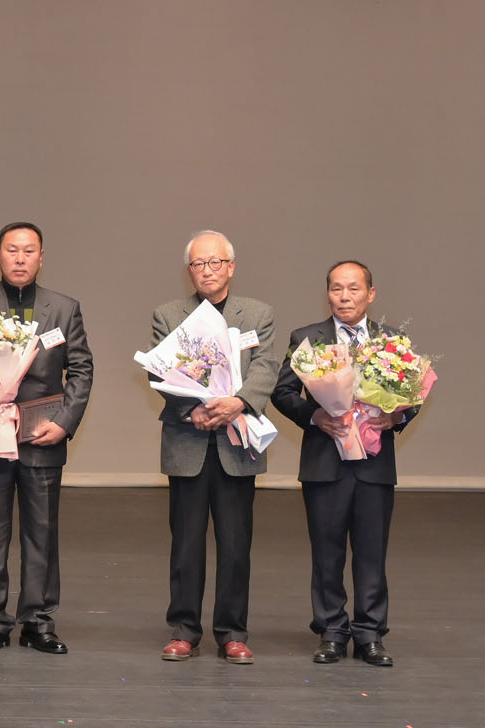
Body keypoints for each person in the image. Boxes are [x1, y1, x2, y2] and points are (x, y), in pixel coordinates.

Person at [0, 222, 93, 656]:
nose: (19, 258)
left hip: (42, 435)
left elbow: (81, 369)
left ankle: (38, 621)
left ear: (41, 257)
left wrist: (64, 422)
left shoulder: (64, 308)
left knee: (42, 532)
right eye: (12, 250)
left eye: (29, 251)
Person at [272, 260, 416, 667]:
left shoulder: (392, 339)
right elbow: (283, 392)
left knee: (372, 553)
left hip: (374, 465)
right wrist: (314, 415)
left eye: (353, 288)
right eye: (336, 288)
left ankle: (370, 635)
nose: (345, 296)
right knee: (327, 552)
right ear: (328, 294)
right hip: (325, 463)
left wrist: (396, 416)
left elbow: (413, 395)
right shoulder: (307, 338)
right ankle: (332, 631)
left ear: (371, 294)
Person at [149, 230, 278, 664]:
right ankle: (184, 630)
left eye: (216, 262)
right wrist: (194, 410)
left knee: (236, 544)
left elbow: (266, 366)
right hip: (188, 440)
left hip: (237, 442)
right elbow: (159, 372)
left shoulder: (257, 314)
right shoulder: (168, 314)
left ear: (231, 267)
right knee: (186, 544)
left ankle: (232, 632)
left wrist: (237, 403)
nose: (208, 270)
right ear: (189, 271)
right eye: (199, 263)